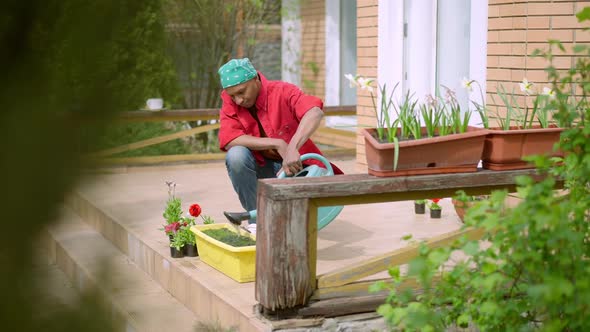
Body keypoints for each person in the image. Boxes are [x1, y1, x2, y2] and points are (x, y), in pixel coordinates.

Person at [217, 58, 343, 234]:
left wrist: (292, 148)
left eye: (241, 92)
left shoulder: (283, 91)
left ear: (255, 79)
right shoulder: (231, 101)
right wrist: (277, 143)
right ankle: (257, 221)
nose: (237, 100)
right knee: (235, 156)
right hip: (262, 169)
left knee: (296, 225)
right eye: (232, 96)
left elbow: (314, 112)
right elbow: (229, 138)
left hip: (297, 170)